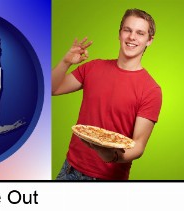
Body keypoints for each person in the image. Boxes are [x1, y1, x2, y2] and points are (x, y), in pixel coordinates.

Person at [52, 8, 162, 180]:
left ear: (149, 40)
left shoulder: (151, 90)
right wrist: (66, 61)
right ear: (119, 34)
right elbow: (53, 88)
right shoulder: (93, 67)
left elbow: (139, 145)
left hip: (108, 178)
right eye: (127, 30)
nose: (132, 37)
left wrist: (112, 156)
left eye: (140, 33)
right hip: (70, 169)